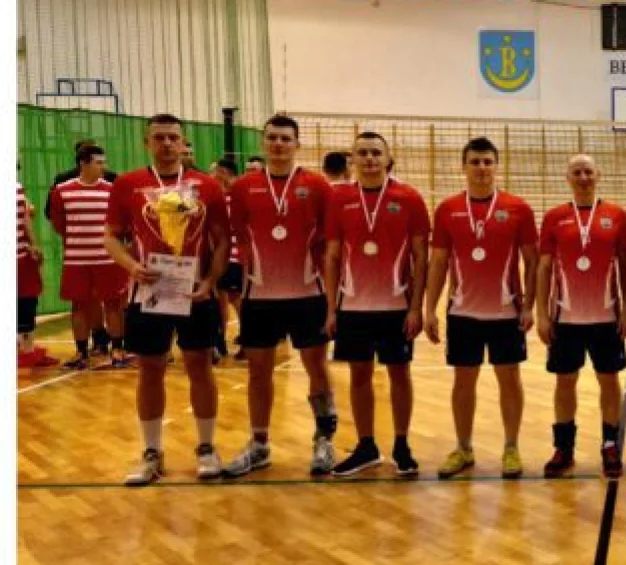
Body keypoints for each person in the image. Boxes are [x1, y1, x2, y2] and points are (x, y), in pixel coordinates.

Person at [103, 113, 230, 485]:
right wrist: (131, 266)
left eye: (173, 137)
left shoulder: (207, 186)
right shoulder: (128, 184)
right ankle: (151, 452)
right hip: (149, 292)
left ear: (184, 142)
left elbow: (222, 239)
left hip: (195, 292)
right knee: (150, 369)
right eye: (159, 138)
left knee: (200, 366)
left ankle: (206, 447)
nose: (167, 144)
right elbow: (111, 236)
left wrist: (211, 280)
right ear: (146, 143)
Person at [223, 114, 338, 478]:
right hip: (259, 295)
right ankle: (259, 444)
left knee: (316, 368)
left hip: (308, 294)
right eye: (272, 137)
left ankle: (324, 440)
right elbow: (236, 235)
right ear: (263, 142)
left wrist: (333, 298)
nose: (278, 144)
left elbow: (330, 242)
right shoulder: (243, 187)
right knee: (259, 372)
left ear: (297, 144)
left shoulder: (317, 186)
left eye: (286, 139)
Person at [426, 137, 538, 479]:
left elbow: (532, 262)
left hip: (506, 313)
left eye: (488, 161)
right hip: (462, 314)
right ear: (463, 167)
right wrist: (430, 309)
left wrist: (529, 306)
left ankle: (511, 448)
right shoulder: (448, 209)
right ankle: (463, 448)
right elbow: (438, 262)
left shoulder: (518, 208)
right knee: (463, 382)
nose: (482, 168)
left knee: (510, 380)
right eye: (475, 161)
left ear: (497, 166)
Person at [323, 132, 429, 477]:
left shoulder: (409, 198)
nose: (369, 159)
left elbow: (421, 257)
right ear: (352, 160)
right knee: (359, 375)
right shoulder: (340, 199)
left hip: (396, 306)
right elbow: (332, 256)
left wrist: (416, 308)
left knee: (400, 373)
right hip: (353, 306)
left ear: (388, 158)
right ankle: (366, 445)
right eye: (362, 153)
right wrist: (331, 309)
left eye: (375, 153)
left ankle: (402, 444)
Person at [535, 154, 626, 479]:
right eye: (577, 172)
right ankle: (564, 448)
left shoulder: (616, 216)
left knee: (609, 380)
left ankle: (609, 444)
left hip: (607, 318)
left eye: (588, 171)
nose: (583, 177)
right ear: (568, 177)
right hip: (566, 319)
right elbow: (544, 268)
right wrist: (542, 314)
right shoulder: (554, 217)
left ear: (598, 175)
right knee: (565, 381)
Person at [47, 145, 130, 369]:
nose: (104, 167)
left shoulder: (112, 189)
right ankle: (81, 353)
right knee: (79, 305)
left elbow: (120, 222)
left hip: (108, 258)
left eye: (103, 162)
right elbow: (59, 223)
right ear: (83, 163)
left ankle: (118, 350)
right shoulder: (62, 191)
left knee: (113, 304)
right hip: (77, 260)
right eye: (98, 163)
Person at [17, 178, 59, 368]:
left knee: (27, 302)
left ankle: (27, 349)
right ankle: (25, 350)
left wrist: (33, 245)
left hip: (22, 256)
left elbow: (25, 218)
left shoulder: (17, 188)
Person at [209, 158, 243, 361]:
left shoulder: (237, 196)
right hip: (219, 257)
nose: (211, 176)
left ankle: (249, 340)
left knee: (235, 298)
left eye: (213, 172)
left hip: (234, 256)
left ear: (223, 173)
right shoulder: (218, 197)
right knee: (220, 298)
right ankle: (219, 343)